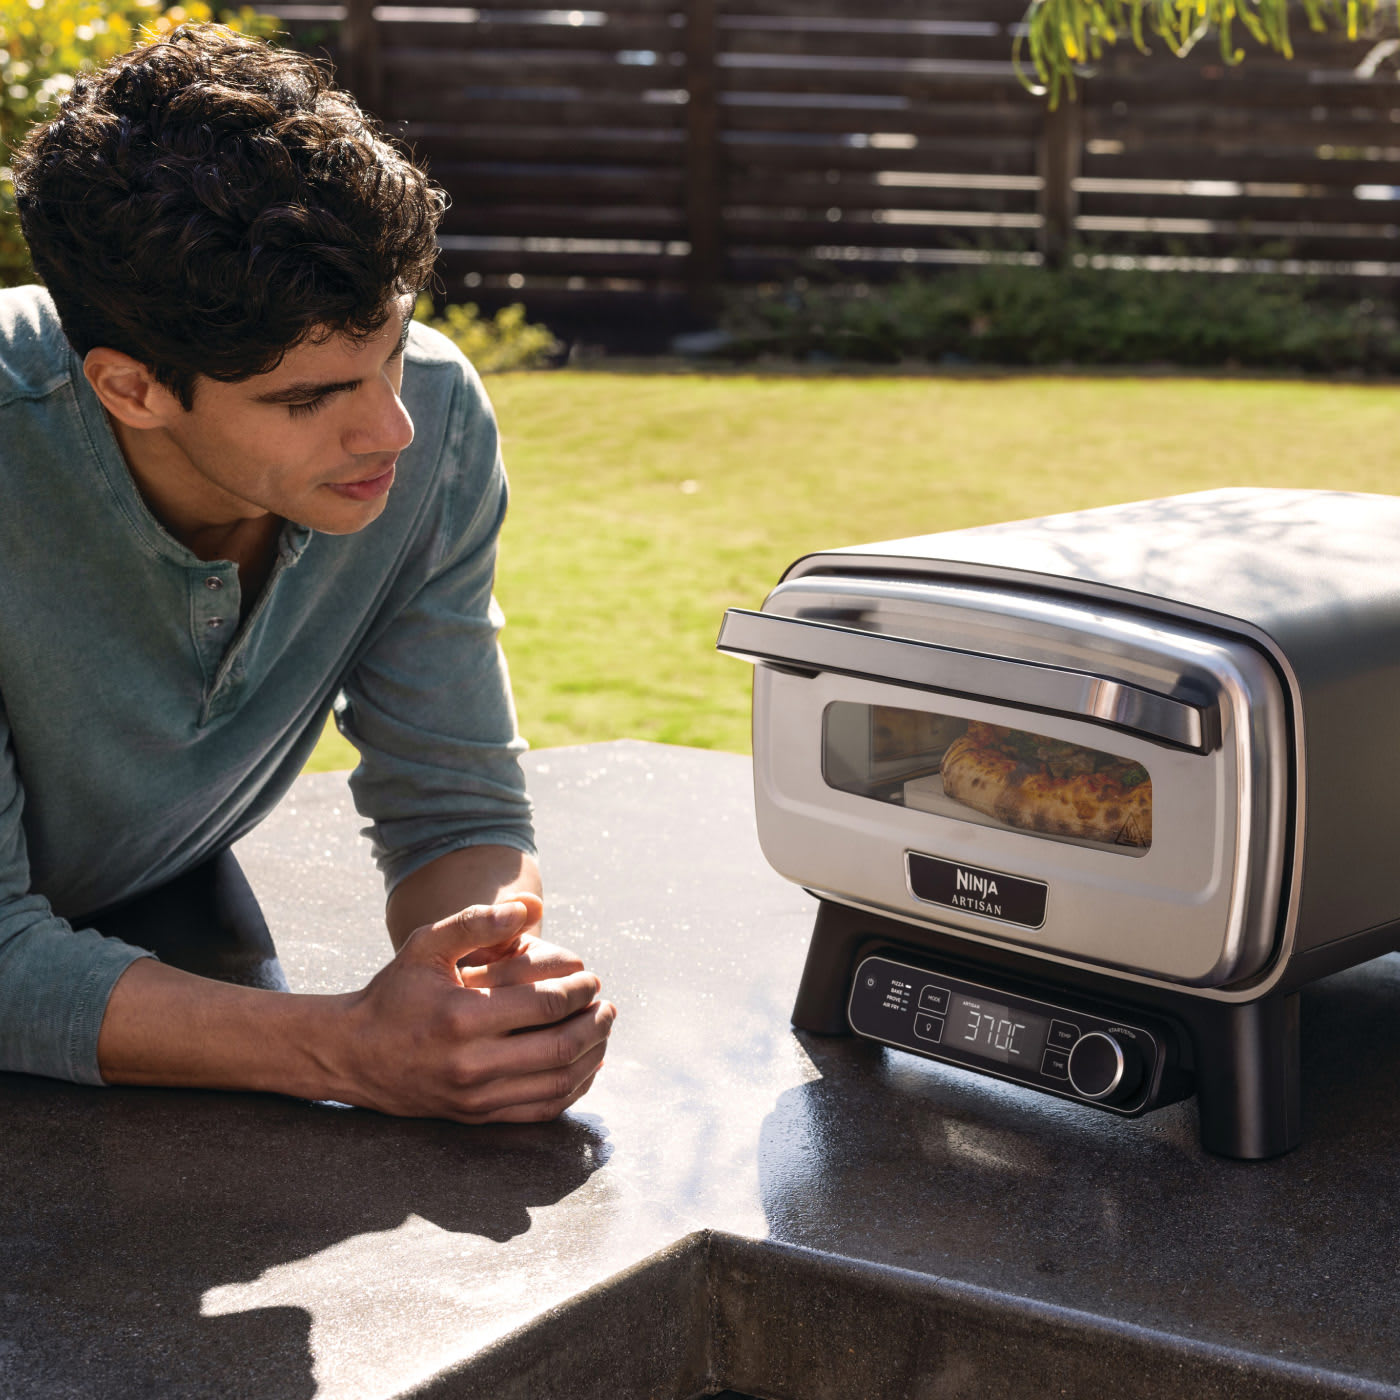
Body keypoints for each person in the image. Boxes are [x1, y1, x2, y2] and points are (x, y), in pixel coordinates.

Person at [0, 23, 615, 1120]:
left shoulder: (429, 412)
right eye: (306, 398)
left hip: (150, 917)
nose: (390, 428)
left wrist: (483, 974)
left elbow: (451, 801)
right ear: (130, 388)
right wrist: (345, 1048)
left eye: (390, 348)